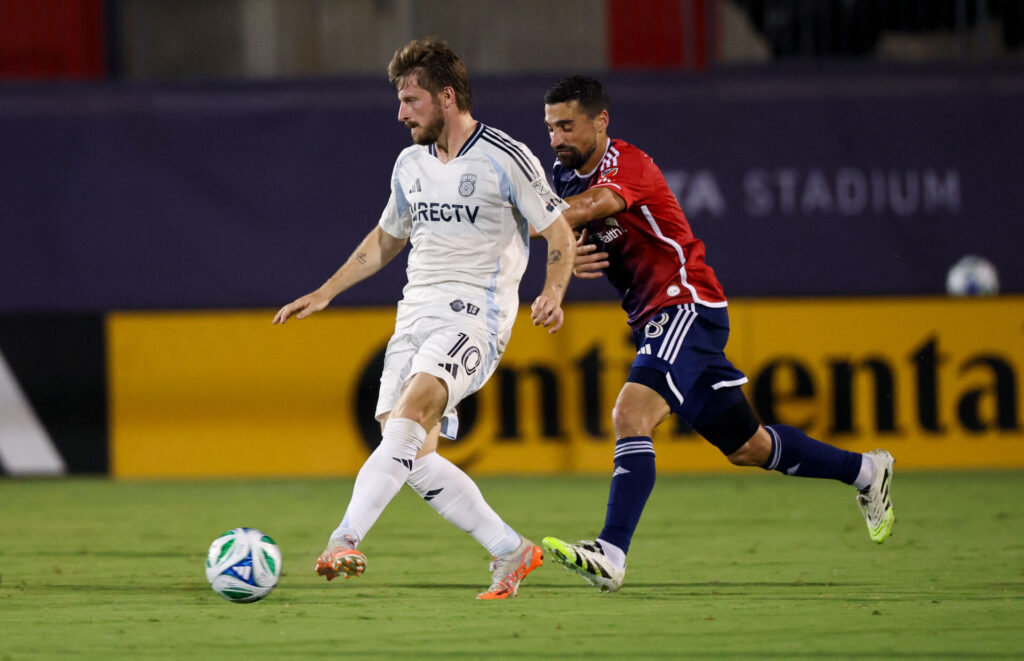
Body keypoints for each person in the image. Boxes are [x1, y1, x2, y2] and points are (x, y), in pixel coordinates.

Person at [537, 75, 895, 592]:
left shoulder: (628, 164)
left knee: (630, 413)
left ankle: (611, 552)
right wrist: (574, 259)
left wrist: (510, 220)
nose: (556, 139)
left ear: (601, 121)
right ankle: (866, 471)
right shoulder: (563, 176)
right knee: (748, 447)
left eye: (567, 126)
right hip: (658, 318)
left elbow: (585, 211)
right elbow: (573, 230)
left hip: (685, 303)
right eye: (549, 128)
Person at [273, 40, 575, 600]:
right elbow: (388, 237)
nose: (401, 113)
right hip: (413, 318)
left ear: (447, 96)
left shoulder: (503, 157)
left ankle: (344, 537)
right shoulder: (409, 164)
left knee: (412, 414)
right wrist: (327, 290)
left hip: (473, 320)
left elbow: (557, 230)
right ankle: (510, 549)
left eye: (411, 100)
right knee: (410, 452)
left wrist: (553, 291)